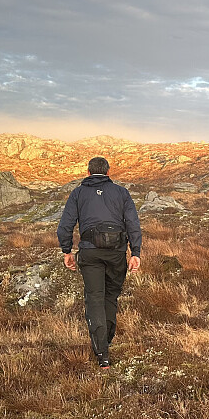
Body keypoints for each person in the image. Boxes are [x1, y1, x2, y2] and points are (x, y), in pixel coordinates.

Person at [57, 156, 142, 369]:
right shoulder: (121, 193)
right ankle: (106, 341)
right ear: (108, 172)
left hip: (90, 253)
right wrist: (136, 252)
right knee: (110, 298)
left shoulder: (78, 193)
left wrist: (67, 251)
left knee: (95, 299)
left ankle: (102, 353)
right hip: (116, 253)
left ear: (87, 172)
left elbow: (65, 225)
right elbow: (132, 223)